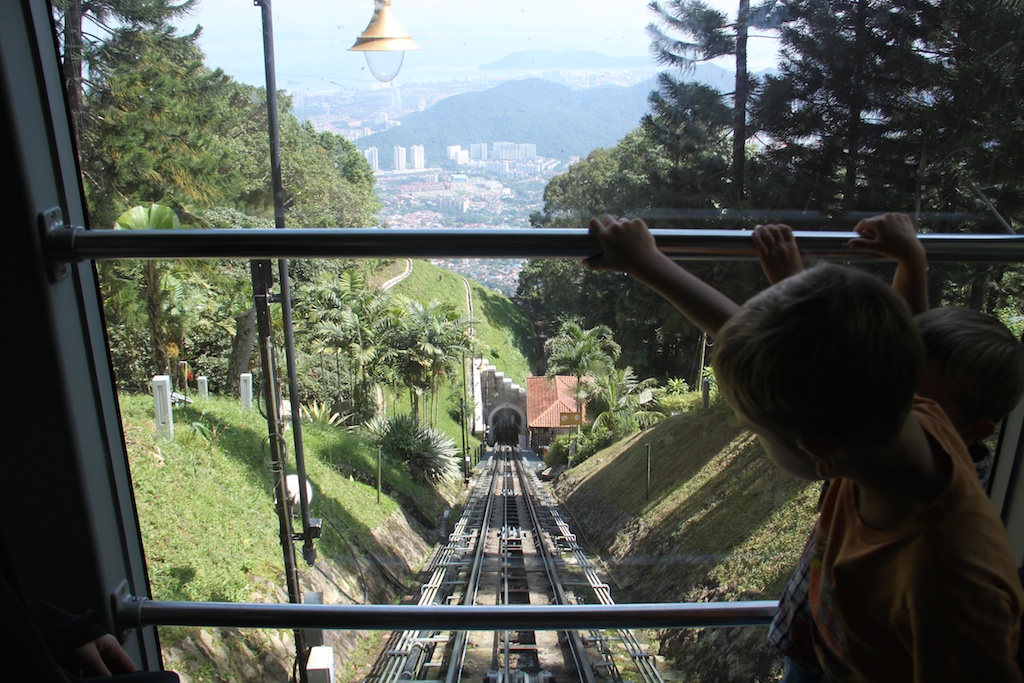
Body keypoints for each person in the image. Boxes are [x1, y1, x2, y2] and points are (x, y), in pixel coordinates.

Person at [585, 215, 1024, 682]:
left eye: (760, 434)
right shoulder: (909, 413)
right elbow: (793, 352)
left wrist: (647, 262)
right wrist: (649, 263)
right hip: (821, 642)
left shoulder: (951, 580)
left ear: (820, 453)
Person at [753, 215, 1024, 681]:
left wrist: (793, 286)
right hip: (819, 625)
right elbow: (908, 337)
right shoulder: (927, 431)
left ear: (973, 428)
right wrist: (911, 258)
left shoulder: (951, 565)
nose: (878, 391)